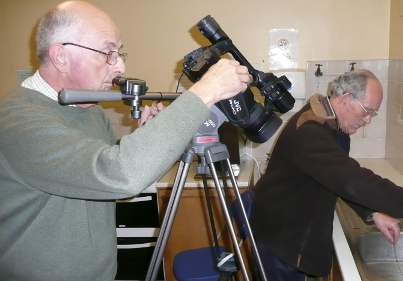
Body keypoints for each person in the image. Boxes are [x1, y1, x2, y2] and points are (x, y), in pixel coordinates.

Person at [0, 1, 250, 280]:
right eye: (108, 52)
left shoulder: (89, 109)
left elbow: (111, 185)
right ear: (61, 56)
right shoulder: (18, 121)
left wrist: (146, 136)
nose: (120, 65)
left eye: (119, 53)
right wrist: (207, 90)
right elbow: (120, 175)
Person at [249, 69, 403, 281]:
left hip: (290, 233)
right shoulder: (311, 131)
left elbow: (337, 177)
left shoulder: (330, 120)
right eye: (367, 111)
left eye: (373, 113)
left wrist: (373, 213)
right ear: (345, 100)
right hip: (280, 243)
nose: (368, 120)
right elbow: (353, 180)